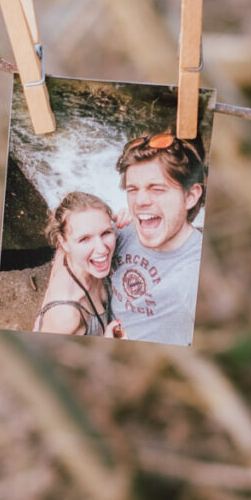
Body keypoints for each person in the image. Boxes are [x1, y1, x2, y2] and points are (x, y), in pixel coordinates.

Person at [111, 130, 206, 346]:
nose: (140, 201)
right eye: (132, 189)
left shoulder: (194, 273)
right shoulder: (122, 230)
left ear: (190, 196)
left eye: (157, 189)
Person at [33, 192, 124, 337]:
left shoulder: (67, 252)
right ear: (63, 242)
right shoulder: (66, 317)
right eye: (84, 239)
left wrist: (132, 215)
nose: (102, 249)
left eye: (106, 232)